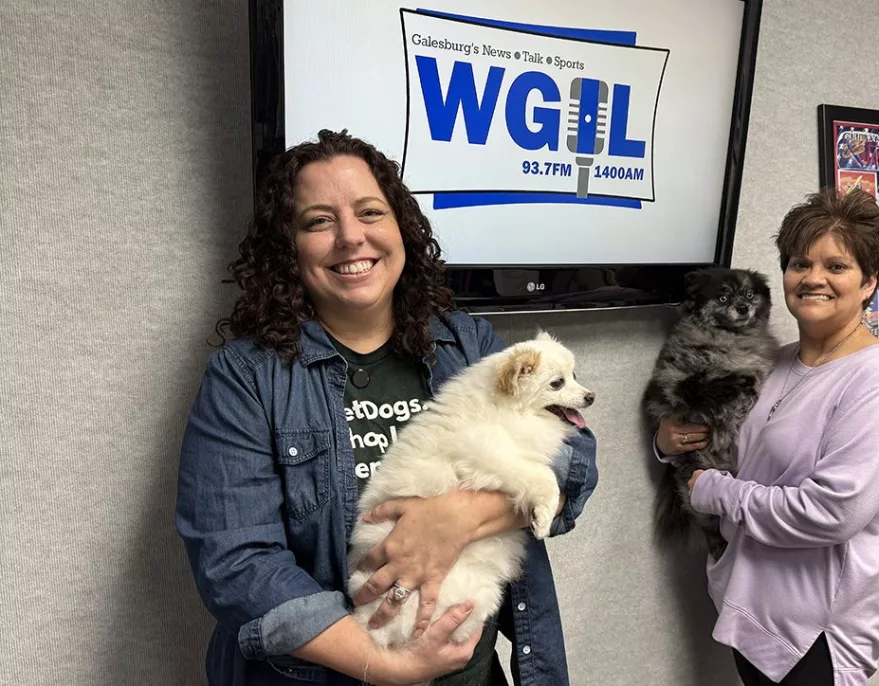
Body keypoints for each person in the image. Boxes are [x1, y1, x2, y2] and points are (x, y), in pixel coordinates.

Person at [176, 129, 599, 686]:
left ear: (401, 226)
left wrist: (458, 518)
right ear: (288, 246)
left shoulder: (467, 344)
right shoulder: (246, 377)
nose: (351, 238)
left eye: (370, 212)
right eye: (318, 221)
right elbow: (237, 564)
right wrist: (386, 666)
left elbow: (576, 460)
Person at [654, 189, 879, 685]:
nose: (813, 278)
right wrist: (669, 443)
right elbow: (735, 453)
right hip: (748, 611)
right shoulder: (775, 363)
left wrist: (710, 490)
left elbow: (830, 514)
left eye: (836, 266)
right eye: (800, 263)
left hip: (814, 637)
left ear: (870, 282)